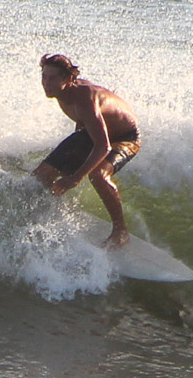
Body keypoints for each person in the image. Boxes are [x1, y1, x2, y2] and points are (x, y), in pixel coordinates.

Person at [31, 53, 141, 247]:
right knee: (41, 175)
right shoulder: (61, 91)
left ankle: (121, 231)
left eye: (52, 78)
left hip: (125, 137)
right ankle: (55, 209)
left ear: (67, 79)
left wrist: (75, 177)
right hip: (93, 133)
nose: (46, 83)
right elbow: (86, 126)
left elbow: (103, 146)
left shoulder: (84, 99)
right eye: (44, 77)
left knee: (98, 174)